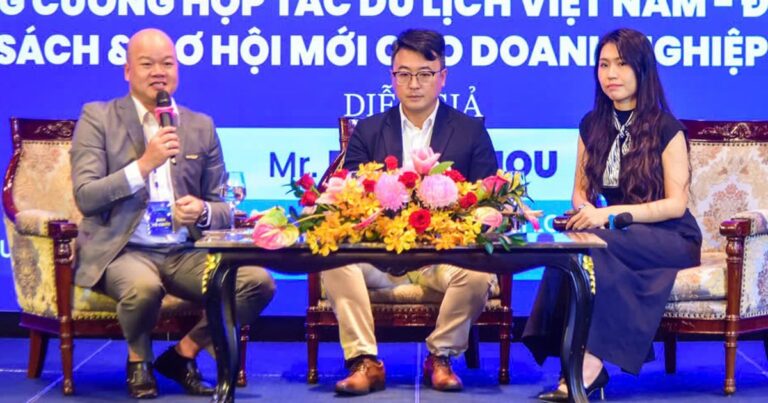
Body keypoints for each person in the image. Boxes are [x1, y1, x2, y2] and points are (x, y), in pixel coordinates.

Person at [70, 28, 276, 399]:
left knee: (257, 282)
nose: (158, 72)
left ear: (177, 70)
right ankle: (139, 360)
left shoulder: (200, 125)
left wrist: (202, 211)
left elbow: (223, 206)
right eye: (147, 64)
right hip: (124, 249)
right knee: (143, 289)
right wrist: (144, 165)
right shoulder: (98, 117)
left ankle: (184, 353)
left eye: (167, 63)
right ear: (128, 71)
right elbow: (86, 197)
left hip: (184, 252)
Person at [522, 28, 702, 401]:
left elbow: (676, 205)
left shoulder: (666, 128)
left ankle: (589, 366)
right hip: (621, 235)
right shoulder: (591, 125)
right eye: (603, 65)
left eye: (621, 64)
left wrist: (610, 215)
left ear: (642, 69)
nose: (611, 74)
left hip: (671, 235)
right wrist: (585, 212)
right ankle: (574, 357)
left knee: (598, 245)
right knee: (573, 249)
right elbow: (580, 191)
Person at [322, 28, 499, 396]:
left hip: (443, 259)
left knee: (479, 276)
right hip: (378, 257)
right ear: (392, 77)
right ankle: (364, 361)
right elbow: (350, 196)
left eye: (424, 74)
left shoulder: (470, 132)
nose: (413, 84)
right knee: (335, 264)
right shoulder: (369, 130)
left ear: (442, 77)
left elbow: (487, 199)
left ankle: (441, 356)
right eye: (403, 74)